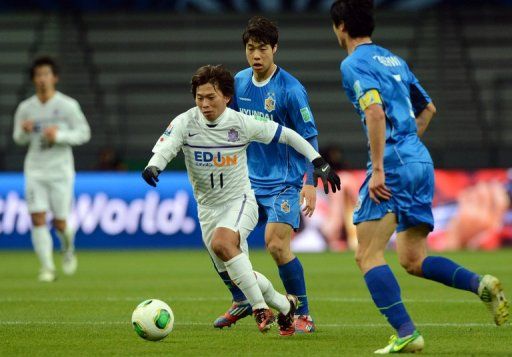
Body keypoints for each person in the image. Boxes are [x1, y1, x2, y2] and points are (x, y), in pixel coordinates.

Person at [330, 0, 509, 353]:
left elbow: (376, 113)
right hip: (419, 162)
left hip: (392, 165)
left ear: (340, 26)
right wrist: (409, 147)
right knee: (413, 259)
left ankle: (406, 332)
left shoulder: (353, 64)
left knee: (366, 254)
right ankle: (480, 284)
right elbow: (428, 107)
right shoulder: (394, 60)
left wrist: (381, 167)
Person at [141, 64, 340, 335]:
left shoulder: (241, 124)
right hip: (207, 208)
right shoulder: (186, 122)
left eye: (211, 97)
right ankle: (285, 306)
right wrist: (155, 165)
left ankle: (259, 308)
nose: (205, 104)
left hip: (240, 201)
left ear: (226, 97)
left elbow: (288, 134)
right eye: (200, 98)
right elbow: (168, 145)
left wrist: (317, 160)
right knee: (237, 271)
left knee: (224, 243)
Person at [213, 16, 320, 333]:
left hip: (283, 183)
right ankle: (241, 299)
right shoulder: (239, 83)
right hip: (245, 182)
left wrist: (310, 181)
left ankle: (303, 312)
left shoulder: (290, 89)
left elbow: (309, 136)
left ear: (274, 48)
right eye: (250, 48)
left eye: (262, 48)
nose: (256, 55)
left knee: (275, 245)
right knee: (219, 241)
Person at [13, 56, 91, 282]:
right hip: (35, 170)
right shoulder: (26, 108)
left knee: (60, 223)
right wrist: (24, 131)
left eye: (46, 74)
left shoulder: (67, 105)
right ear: (33, 79)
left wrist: (59, 136)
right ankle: (47, 268)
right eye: (38, 75)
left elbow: (84, 133)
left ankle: (67, 248)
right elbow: (17, 138)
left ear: (54, 77)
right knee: (37, 218)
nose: (42, 79)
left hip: (60, 171)